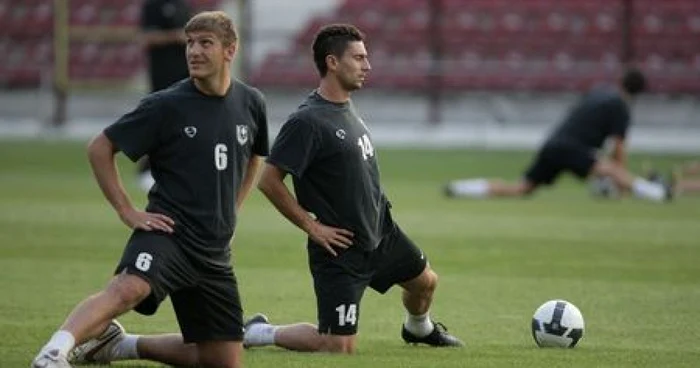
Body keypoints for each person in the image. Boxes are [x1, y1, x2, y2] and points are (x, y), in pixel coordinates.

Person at [31, 11, 268, 368]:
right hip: (169, 232)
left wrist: (233, 209)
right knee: (128, 289)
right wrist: (127, 210)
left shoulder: (251, 102)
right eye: (190, 43)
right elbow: (100, 148)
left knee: (222, 361)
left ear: (230, 50)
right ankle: (53, 352)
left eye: (205, 43)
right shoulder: (166, 104)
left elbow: (255, 157)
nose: (194, 52)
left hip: (213, 249)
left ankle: (119, 345)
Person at [243, 23, 463, 354]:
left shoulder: (344, 107)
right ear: (332, 62)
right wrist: (311, 226)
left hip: (380, 232)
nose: (367, 65)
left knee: (426, 282)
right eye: (359, 58)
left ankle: (418, 329)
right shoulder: (307, 121)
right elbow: (269, 179)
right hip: (341, 250)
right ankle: (258, 332)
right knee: (338, 345)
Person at [444, 68, 672, 202]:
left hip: (554, 144)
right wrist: (621, 181)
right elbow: (619, 148)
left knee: (523, 188)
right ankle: (655, 193)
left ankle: (462, 188)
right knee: (610, 169)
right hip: (572, 148)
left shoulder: (599, 93)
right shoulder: (620, 107)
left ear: (621, 81)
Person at [137, 0, 193, 191]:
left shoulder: (183, 6)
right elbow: (146, 37)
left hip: (186, 76)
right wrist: (175, 36)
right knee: (159, 123)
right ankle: (146, 169)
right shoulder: (153, 5)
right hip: (162, 76)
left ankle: (175, 169)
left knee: (183, 124)